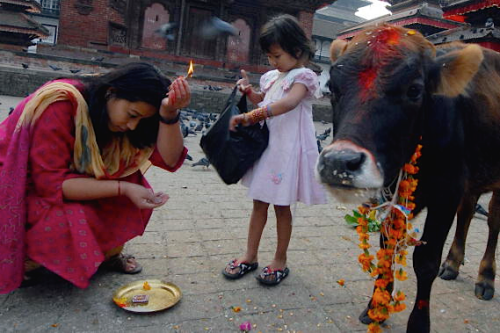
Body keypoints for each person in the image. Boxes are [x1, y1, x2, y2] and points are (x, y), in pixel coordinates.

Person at [0, 62, 190, 293]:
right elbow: (51, 184)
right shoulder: (61, 103)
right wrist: (122, 188)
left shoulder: (123, 119)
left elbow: (170, 160)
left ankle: (104, 254)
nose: (132, 126)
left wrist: (169, 114)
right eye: (132, 115)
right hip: (18, 189)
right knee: (82, 212)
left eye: (140, 120)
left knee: (131, 182)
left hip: (64, 181)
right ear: (111, 92)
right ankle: (25, 259)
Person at [223, 14, 327, 286]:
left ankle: (280, 259)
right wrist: (249, 94)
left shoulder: (304, 76)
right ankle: (250, 255)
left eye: (277, 56)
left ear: (297, 50)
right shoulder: (271, 76)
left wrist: (251, 116)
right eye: (269, 57)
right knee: (259, 203)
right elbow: (265, 100)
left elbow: (289, 103)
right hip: (268, 149)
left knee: (282, 206)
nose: (272, 62)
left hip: (288, 151)